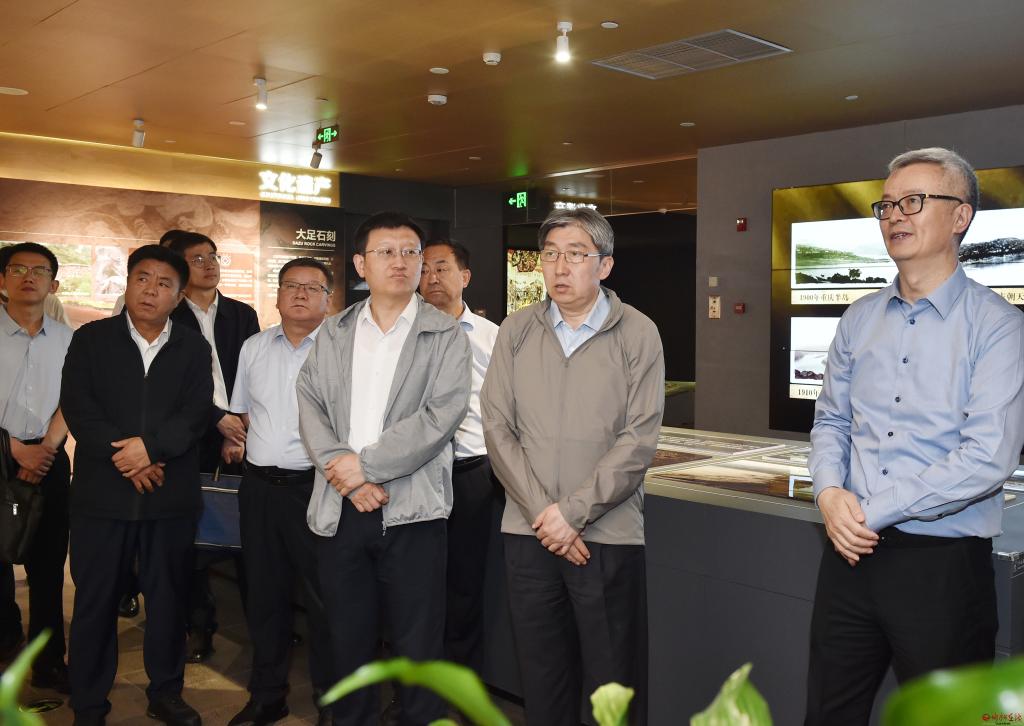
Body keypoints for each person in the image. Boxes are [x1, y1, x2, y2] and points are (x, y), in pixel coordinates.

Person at [805, 147, 1024, 725]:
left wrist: (868, 510)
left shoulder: (998, 326)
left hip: (942, 568)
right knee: (827, 713)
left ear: (960, 216)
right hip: (849, 558)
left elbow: (988, 457)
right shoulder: (858, 319)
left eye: (914, 201)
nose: (894, 215)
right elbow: (831, 421)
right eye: (887, 205)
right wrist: (829, 493)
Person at [481, 207, 665, 726]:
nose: (560, 267)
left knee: (612, 686)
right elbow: (497, 426)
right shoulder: (516, 330)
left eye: (576, 255)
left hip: (607, 534)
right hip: (529, 531)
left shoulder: (638, 332)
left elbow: (639, 438)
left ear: (604, 265)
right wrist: (547, 515)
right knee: (542, 678)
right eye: (550, 254)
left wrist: (573, 514)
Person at [297, 212, 471, 726]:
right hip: (341, 510)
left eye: (410, 252)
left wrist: (365, 468)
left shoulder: (445, 333)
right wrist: (346, 476)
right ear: (360, 264)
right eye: (386, 251)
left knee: (419, 645)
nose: (400, 262)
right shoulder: (334, 331)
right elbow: (310, 404)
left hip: (413, 511)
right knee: (346, 640)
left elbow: (440, 416)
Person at [62, 245, 213, 726]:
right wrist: (129, 459)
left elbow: (196, 413)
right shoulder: (91, 338)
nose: (151, 290)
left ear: (179, 296)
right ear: (127, 284)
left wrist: (151, 448)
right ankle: (88, 701)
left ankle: (166, 692)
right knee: (95, 601)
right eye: (142, 278)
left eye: (164, 283)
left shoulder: (193, 347)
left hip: (169, 496)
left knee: (168, 601)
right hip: (102, 496)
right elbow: (79, 407)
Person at [223, 258, 334, 726]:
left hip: (317, 489)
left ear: (329, 299)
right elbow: (244, 412)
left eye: (312, 287)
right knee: (264, 596)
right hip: (260, 489)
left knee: (326, 600)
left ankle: (333, 700)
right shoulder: (254, 346)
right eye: (292, 285)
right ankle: (267, 695)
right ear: (278, 294)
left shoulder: (341, 348)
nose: (300, 294)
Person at [167, 231, 260, 662]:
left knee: (251, 536)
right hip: (190, 440)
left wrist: (237, 429)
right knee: (195, 542)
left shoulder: (241, 314)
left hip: (242, 436)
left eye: (213, 256)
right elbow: (173, 387)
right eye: (197, 258)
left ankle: (263, 626)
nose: (209, 264)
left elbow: (253, 374)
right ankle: (199, 627)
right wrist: (216, 422)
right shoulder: (169, 317)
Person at [419, 239, 501, 670]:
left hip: (470, 472)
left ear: (465, 277)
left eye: (441, 268)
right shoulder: (403, 334)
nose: (431, 277)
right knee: (415, 581)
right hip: (414, 471)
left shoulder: (492, 336)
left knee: (466, 581)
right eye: (424, 269)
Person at [0, 243, 74, 693]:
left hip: (48, 458)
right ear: (2, 280)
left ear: (54, 284)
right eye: (18, 269)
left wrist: (45, 448)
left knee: (48, 568)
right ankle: (6, 636)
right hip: (1, 452)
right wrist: (13, 449)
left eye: (40, 270)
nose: (29, 277)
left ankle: (48, 662)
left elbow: (75, 399)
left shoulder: (69, 340)